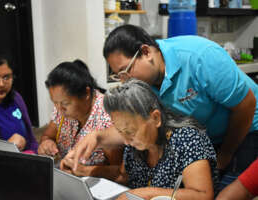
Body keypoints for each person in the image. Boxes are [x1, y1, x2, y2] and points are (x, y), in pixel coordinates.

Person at [102, 24, 258, 191]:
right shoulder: (146, 83)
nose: (125, 81)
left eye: (125, 70)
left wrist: (225, 155)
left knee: (228, 192)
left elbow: (246, 105)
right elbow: (134, 127)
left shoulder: (200, 57)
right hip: (207, 136)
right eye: (118, 76)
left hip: (246, 128)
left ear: (146, 52)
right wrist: (97, 138)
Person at [69, 79, 218, 200]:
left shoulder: (187, 139)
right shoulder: (135, 144)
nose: (126, 141)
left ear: (155, 118)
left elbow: (203, 195)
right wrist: (83, 171)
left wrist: (146, 193)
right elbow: (123, 176)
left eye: (130, 131)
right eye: (121, 132)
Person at [38, 59, 122, 177]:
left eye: (65, 103)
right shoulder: (60, 108)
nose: (59, 109)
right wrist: (46, 142)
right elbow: (48, 135)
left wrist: (85, 171)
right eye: (55, 103)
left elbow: (121, 173)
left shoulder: (107, 116)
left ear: (86, 93)